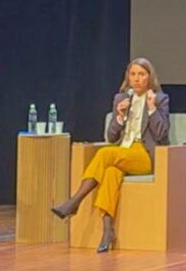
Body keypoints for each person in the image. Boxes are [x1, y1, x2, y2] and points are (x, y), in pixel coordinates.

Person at [50, 57, 170, 252]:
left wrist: (152, 108)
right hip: (123, 151)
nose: (137, 79)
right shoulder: (120, 99)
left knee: (105, 154)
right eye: (133, 75)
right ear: (128, 78)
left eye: (141, 74)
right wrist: (120, 116)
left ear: (150, 77)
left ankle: (74, 201)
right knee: (110, 173)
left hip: (144, 156)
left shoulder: (160, 99)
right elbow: (111, 135)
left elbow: (161, 133)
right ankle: (108, 231)